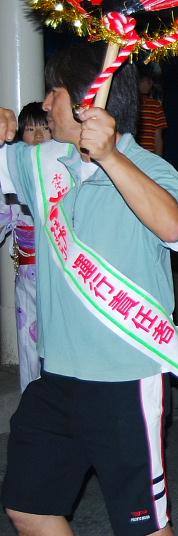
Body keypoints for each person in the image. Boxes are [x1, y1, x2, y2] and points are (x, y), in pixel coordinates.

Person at [0, 43, 178, 535]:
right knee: (28, 504)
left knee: (144, 527)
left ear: (89, 102)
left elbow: (175, 229)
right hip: (56, 376)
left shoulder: (153, 171)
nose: (45, 104)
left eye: (55, 92)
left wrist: (108, 156)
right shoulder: (43, 163)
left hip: (125, 381)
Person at [0, 103, 50, 391]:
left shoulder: (65, 173)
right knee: (30, 346)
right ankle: (32, 400)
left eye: (44, 128)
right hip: (29, 281)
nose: (38, 136)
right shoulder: (12, 180)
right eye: (30, 130)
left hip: (62, 279)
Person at [136, 66, 167, 155]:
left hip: (149, 155)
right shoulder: (129, 103)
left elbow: (158, 137)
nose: (151, 84)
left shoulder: (156, 105)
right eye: (147, 81)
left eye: (151, 81)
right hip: (129, 154)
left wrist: (158, 160)